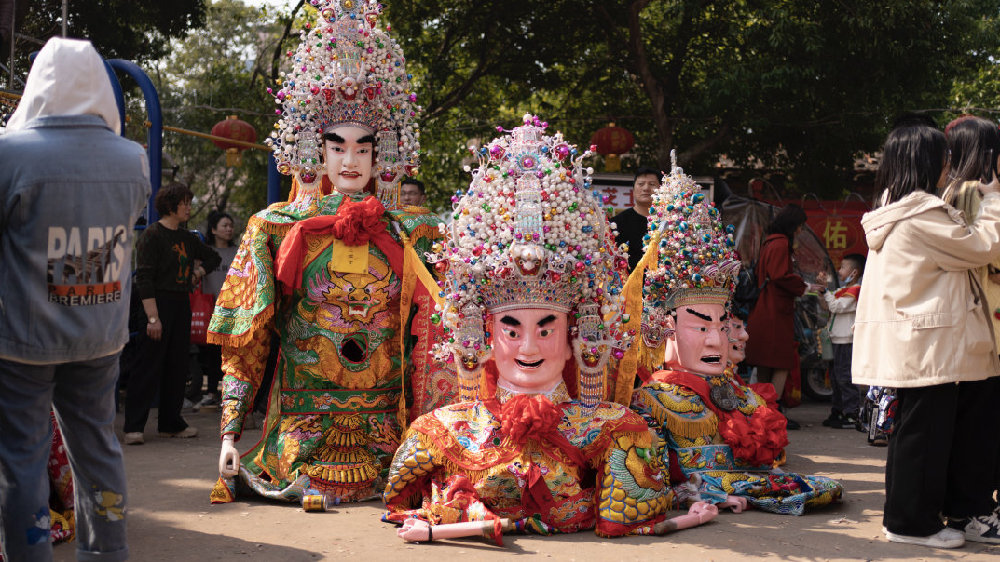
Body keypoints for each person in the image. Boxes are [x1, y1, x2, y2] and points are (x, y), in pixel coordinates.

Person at [383, 116, 718, 539]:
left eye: (546, 329)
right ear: (483, 338)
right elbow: (399, 505)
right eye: (510, 328)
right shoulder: (442, 431)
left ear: (575, 339)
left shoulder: (612, 428)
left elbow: (626, 519)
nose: (528, 346)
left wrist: (691, 515)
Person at [210, 0, 442, 507]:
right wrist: (229, 434)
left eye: (363, 148)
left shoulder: (413, 232)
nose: (351, 159)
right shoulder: (275, 227)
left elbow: (449, 338)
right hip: (302, 430)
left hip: (389, 434)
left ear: (382, 155)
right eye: (338, 147)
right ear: (318, 154)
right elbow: (245, 334)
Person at [0, 37, 150, 561]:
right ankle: (108, 553)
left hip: (23, 338)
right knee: (98, 448)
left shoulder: (9, 152)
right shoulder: (133, 159)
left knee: (21, 456)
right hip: (100, 333)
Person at [630, 156, 842, 515]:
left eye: (721, 325)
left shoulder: (740, 394)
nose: (717, 342)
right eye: (700, 327)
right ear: (664, 326)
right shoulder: (653, 403)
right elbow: (650, 476)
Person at [853, 121, 1000, 548]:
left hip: (919, 340)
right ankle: (908, 523)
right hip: (926, 341)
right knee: (922, 436)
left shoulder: (896, 206)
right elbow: (981, 247)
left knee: (919, 433)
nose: (950, 167)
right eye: (944, 158)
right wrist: (991, 201)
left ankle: (914, 517)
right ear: (925, 162)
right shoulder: (921, 213)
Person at [123, 183, 221, 445]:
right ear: (170, 205)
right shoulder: (152, 235)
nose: (188, 208)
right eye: (184, 203)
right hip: (156, 304)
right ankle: (134, 426)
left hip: (181, 304)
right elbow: (144, 279)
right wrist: (153, 318)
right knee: (147, 366)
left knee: (177, 366)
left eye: (189, 202)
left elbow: (212, 258)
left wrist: (197, 273)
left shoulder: (188, 238)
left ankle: (170, 423)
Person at [743, 204, 824, 429]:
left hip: (765, 309)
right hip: (775, 311)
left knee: (764, 362)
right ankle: (774, 411)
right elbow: (780, 276)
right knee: (783, 361)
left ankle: (762, 409)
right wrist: (805, 286)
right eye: (799, 226)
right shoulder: (781, 243)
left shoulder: (770, 240)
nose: (800, 231)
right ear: (793, 225)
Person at [193, 210, 239, 410]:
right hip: (211, 308)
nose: (229, 229)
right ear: (213, 230)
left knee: (233, 352)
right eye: (224, 225)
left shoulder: (238, 251)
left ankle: (231, 393)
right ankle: (212, 392)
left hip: (234, 309)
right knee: (212, 353)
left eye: (230, 225)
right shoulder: (205, 255)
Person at [816, 253, 865, 429]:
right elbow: (826, 305)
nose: (840, 270)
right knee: (836, 378)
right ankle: (838, 410)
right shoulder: (841, 291)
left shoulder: (856, 290)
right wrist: (823, 290)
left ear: (854, 272)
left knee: (845, 377)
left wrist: (826, 292)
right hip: (836, 339)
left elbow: (836, 306)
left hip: (847, 340)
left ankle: (851, 413)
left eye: (843, 267)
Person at [611, 166, 662, 272]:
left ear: (661, 189)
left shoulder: (669, 222)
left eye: (652, 184)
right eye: (641, 184)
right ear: (633, 190)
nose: (646, 188)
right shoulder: (616, 223)